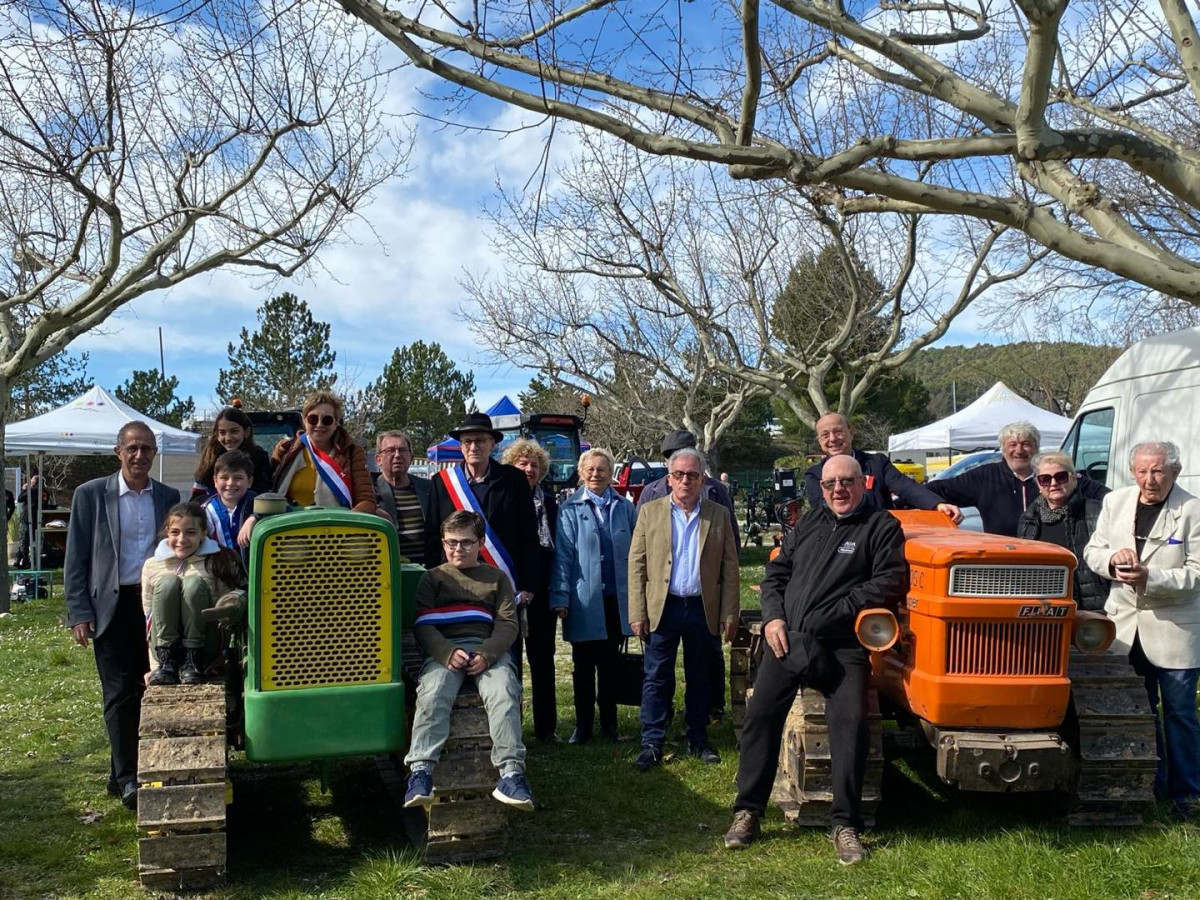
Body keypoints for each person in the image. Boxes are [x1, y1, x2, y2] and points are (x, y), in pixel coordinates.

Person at [724, 455, 907, 863]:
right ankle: (748, 811)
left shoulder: (881, 527)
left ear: (863, 483)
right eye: (830, 484)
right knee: (761, 717)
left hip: (843, 645)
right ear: (821, 489)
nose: (838, 490)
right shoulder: (808, 523)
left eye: (847, 481)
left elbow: (889, 581)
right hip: (788, 640)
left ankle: (845, 823)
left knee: (852, 723)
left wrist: (835, 611)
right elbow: (776, 575)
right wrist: (772, 618)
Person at [64, 422, 181, 809]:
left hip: (153, 604)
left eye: (147, 449)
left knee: (149, 687)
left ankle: (123, 773)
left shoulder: (168, 495)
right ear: (118, 452)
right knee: (117, 693)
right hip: (109, 607)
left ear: (154, 454)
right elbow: (76, 557)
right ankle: (129, 778)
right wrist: (79, 611)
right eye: (132, 448)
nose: (140, 455)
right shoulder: (91, 495)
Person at [1083, 441, 1200, 820]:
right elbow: (1092, 551)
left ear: (1175, 472)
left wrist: (1151, 576)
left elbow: (1196, 573)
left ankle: (1188, 797)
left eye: (1158, 471)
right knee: (1139, 713)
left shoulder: (1193, 510)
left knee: (1180, 715)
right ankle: (1150, 786)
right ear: (1132, 472)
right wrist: (1112, 561)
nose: (1150, 480)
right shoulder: (1116, 502)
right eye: (1142, 471)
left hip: (1175, 630)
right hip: (1125, 628)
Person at [403, 510, 535, 812]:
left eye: (465, 543)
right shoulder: (432, 579)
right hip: (446, 652)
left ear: (480, 542)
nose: (457, 549)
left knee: (503, 692)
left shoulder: (496, 579)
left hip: (486, 650)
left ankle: (511, 773)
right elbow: (423, 625)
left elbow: (507, 624)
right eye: (451, 543)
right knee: (434, 691)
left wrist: (488, 654)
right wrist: (446, 652)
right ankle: (421, 770)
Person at [628, 447, 740, 770]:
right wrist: (637, 611)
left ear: (703, 479)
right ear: (669, 479)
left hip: (702, 607)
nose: (686, 481)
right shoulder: (650, 512)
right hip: (663, 607)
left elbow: (730, 568)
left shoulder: (718, 514)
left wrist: (729, 613)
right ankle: (652, 741)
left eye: (692, 475)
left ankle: (698, 738)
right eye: (679, 475)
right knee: (656, 676)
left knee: (700, 675)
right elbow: (636, 564)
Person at [550, 448, 637, 743]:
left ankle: (610, 726)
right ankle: (583, 726)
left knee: (611, 665)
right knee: (583, 667)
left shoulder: (625, 508)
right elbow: (562, 556)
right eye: (590, 469)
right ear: (581, 472)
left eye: (602, 469)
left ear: (611, 473)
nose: (595, 474)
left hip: (616, 600)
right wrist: (560, 597)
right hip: (583, 602)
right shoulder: (569, 509)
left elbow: (638, 554)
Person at [423, 413, 539, 616]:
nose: (473, 447)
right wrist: (434, 580)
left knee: (505, 644)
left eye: (480, 441)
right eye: (467, 442)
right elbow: (432, 536)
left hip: (502, 584)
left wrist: (528, 584)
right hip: (455, 583)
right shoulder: (442, 482)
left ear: (492, 443)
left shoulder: (514, 480)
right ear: (460, 446)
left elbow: (529, 535)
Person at [928, 420, 1105, 537]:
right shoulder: (985, 477)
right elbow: (936, 489)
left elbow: (1108, 497)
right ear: (1003, 450)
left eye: (1026, 444)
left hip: (1052, 562)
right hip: (1004, 565)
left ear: (1036, 448)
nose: (1019, 450)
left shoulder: (1057, 476)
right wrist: (936, 504)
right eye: (1012, 445)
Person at [142, 502, 245, 685]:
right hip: (165, 644)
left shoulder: (218, 560)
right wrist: (154, 667)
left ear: (203, 532)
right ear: (167, 531)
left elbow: (228, 613)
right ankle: (167, 661)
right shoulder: (152, 565)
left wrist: (223, 661)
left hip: (206, 642)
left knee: (193, 584)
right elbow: (150, 620)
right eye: (175, 532)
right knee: (167, 582)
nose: (181, 540)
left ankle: (193, 660)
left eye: (190, 532)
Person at [500, 437, 559, 742]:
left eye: (534, 465)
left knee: (543, 660)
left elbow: (553, 549)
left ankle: (546, 729)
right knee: (509, 663)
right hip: (509, 591)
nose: (529, 469)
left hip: (542, 593)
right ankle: (512, 729)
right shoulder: (502, 498)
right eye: (522, 463)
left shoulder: (549, 502)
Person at [803, 412, 962, 522]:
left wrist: (937, 504)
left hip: (882, 538)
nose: (832, 439)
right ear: (819, 441)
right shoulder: (815, 474)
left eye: (838, 432)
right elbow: (821, 507)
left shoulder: (877, 463)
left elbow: (906, 486)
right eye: (825, 435)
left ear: (851, 433)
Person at [1017, 451, 1109, 610]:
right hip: (1045, 608)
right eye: (1045, 479)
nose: (1053, 483)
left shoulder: (1096, 511)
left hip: (1091, 609)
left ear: (1073, 478)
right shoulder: (1029, 519)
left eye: (1061, 477)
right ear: (1038, 485)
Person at [271, 391, 376, 513]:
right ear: (305, 421)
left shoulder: (352, 453)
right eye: (313, 419)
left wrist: (349, 521)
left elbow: (366, 499)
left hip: (337, 527)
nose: (319, 425)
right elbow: (266, 492)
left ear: (336, 423)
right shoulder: (285, 450)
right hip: (291, 526)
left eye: (327, 420)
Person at [373, 430, 430, 565]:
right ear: (378, 459)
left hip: (428, 570)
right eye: (390, 450)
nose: (397, 455)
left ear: (411, 457)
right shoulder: (369, 491)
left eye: (403, 450)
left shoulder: (429, 488)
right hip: (388, 569)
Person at [192, 406, 273, 500]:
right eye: (222, 433)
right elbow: (196, 496)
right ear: (217, 435)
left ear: (246, 432)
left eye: (234, 431)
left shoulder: (259, 458)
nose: (228, 438)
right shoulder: (209, 458)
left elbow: (262, 494)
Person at [202, 450, 258, 550]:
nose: (230, 483)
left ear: (249, 482)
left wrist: (255, 518)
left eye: (238, 478)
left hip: (254, 565)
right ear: (215, 481)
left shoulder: (257, 503)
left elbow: (283, 509)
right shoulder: (206, 511)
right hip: (220, 564)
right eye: (224, 477)